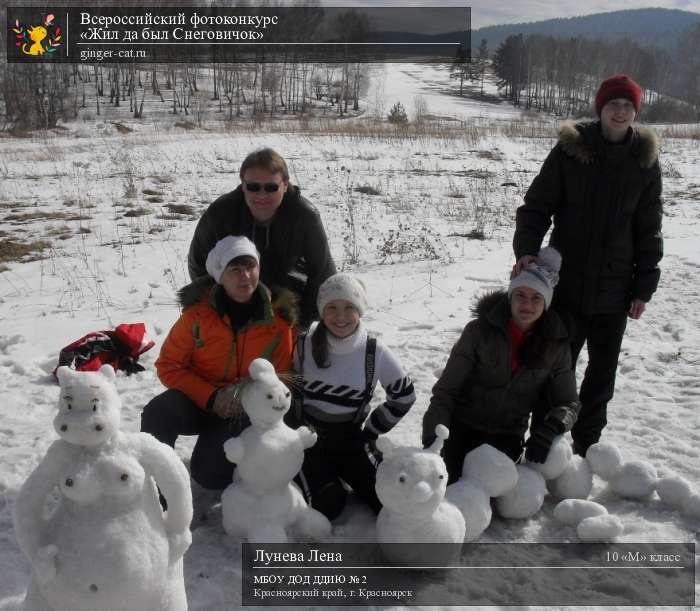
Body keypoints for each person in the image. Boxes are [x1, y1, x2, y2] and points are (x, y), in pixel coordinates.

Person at [512, 74, 663, 456]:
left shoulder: (644, 163)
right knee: (552, 367)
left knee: (601, 376)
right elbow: (537, 206)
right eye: (614, 104)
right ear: (601, 107)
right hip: (564, 284)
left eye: (628, 106)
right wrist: (526, 250)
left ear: (636, 112)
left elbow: (649, 229)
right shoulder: (570, 152)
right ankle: (542, 448)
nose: (621, 111)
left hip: (615, 291)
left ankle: (585, 448)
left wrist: (644, 287)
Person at [141, 236, 295, 490]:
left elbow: (282, 378)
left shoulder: (278, 323)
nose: (245, 276)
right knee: (159, 412)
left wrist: (244, 398)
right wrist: (212, 397)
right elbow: (168, 364)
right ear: (219, 276)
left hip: (242, 410)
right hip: (199, 399)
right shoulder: (197, 316)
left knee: (210, 475)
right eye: (234, 269)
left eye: (250, 267)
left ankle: (235, 460)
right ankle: (155, 488)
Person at [422, 248, 580, 483]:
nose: (527, 305)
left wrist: (551, 428)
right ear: (510, 296)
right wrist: (433, 435)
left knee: (488, 490)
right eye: (520, 295)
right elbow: (446, 390)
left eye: (536, 297)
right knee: (445, 485)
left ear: (546, 303)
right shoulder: (478, 332)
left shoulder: (556, 345)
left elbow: (568, 403)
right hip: (460, 428)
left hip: (506, 436)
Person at [293, 273, 416, 519]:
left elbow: (404, 395)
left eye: (349, 307)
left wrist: (370, 431)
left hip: (351, 438)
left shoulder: (372, 351)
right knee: (328, 505)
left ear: (360, 310)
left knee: (388, 501)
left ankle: (343, 472)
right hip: (308, 440)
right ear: (321, 310)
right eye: (332, 308)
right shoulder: (303, 344)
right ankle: (324, 479)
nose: (340, 316)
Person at [188, 147, 336, 329]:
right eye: (253, 187)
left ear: (285, 184)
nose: (262, 195)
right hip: (233, 296)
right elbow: (198, 264)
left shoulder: (304, 216)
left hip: (286, 299)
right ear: (243, 184)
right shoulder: (221, 213)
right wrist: (218, 310)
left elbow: (323, 275)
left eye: (271, 187)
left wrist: (299, 323)